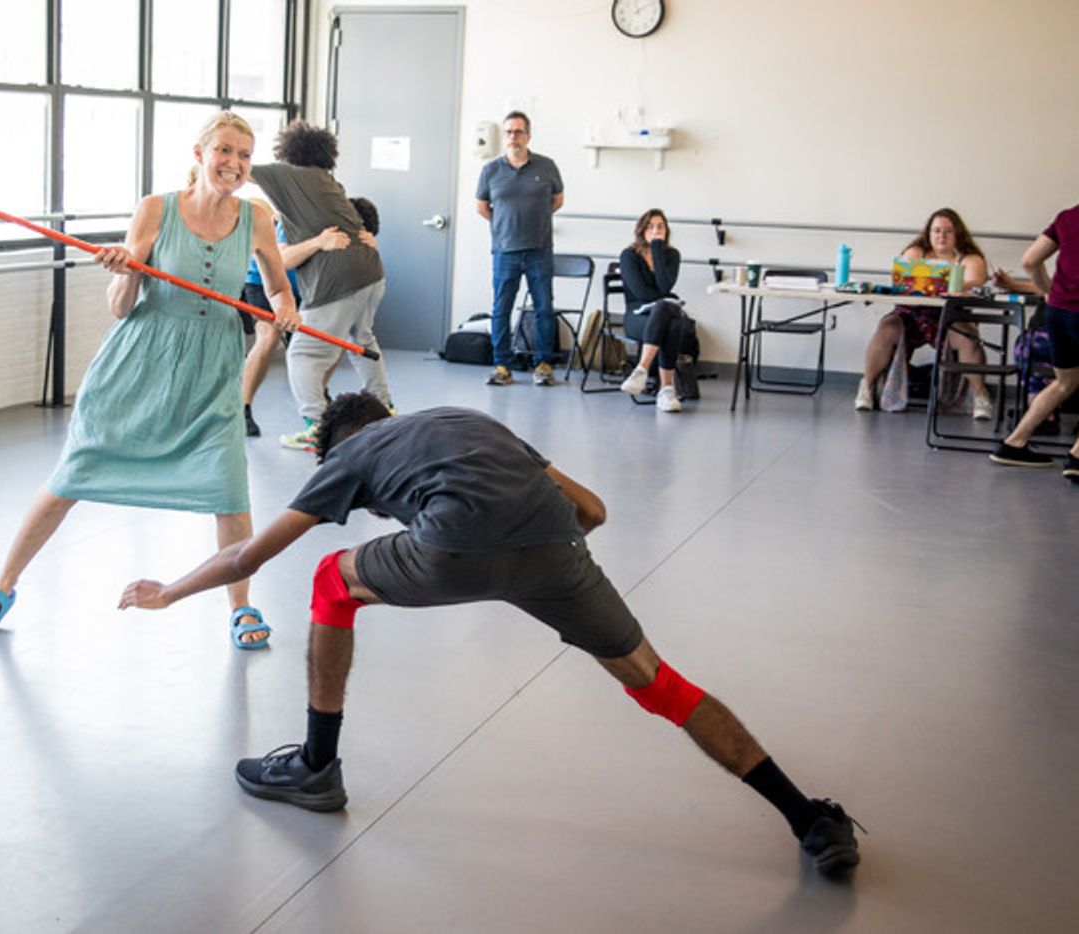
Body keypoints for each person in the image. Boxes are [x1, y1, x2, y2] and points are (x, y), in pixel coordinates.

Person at [117, 392, 864, 878]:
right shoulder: (464, 418)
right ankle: (810, 820)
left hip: (449, 549)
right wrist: (538, 556)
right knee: (658, 682)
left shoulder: (344, 456)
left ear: (331, 444)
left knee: (329, 581)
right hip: (556, 554)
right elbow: (594, 511)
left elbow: (249, 555)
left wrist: (170, 592)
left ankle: (316, 767)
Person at [0, 111, 301, 650]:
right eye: (224, 151)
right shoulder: (156, 210)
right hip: (141, 360)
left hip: (212, 367)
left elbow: (280, 290)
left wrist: (285, 312)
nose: (233, 163)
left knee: (230, 490)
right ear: (200, 154)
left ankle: (242, 606)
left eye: (243, 154)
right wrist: (130, 270)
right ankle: (2, 585)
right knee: (72, 476)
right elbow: (122, 309)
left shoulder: (257, 219)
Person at [249, 122, 394, 451]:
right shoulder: (329, 182)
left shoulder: (292, 176)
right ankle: (386, 408)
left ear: (289, 152)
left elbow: (240, 169)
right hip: (371, 271)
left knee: (302, 354)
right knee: (362, 340)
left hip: (336, 280)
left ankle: (318, 428)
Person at [240, 201, 381, 438]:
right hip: (265, 282)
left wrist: (367, 245)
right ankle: (242, 408)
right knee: (270, 336)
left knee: (333, 338)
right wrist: (318, 242)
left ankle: (318, 395)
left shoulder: (349, 232)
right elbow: (282, 260)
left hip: (308, 290)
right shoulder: (295, 217)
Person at [856, 208, 994, 418]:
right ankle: (866, 386)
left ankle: (980, 396)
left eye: (948, 231)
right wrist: (945, 283)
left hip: (950, 316)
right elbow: (902, 277)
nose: (941, 236)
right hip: (910, 314)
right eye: (936, 230)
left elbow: (975, 279)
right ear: (928, 233)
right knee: (886, 328)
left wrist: (932, 282)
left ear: (958, 233)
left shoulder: (969, 258)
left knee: (969, 339)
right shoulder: (916, 251)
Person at [989, 202, 1079, 482]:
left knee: (1065, 382)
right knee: (1066, 382)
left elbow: (1029, 261)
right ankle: (1076, 458)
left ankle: (1014, 443)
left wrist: (1049, 291)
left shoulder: (1068, 217)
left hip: (1058, 314)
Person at [477, 111, 564, 387]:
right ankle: (502, 365)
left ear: (528, 135)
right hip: (505, 251)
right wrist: (505, 224)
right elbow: (482, 207)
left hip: (540, 250)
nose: (513, 137)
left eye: (518, 132)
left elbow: (557, 200)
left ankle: (544, 365)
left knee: (543, 308)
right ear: (504, 137)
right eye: (508, 132)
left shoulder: (546, 166)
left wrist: (533, 222)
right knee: (501, 310)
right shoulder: (491, 170)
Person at [617, 209, 696, 412]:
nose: (655, 230)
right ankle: (666, 390)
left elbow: (664, 287)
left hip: (660, 317)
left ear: (666, 230)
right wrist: (667, 300)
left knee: (671, 321)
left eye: (660, 226)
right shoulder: (629, 256)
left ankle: (642, 371)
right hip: (637, 316)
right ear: (642, 230)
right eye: (651, 226)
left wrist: (657, 249)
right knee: (668, 310)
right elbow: (642, 294)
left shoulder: (672, 255)